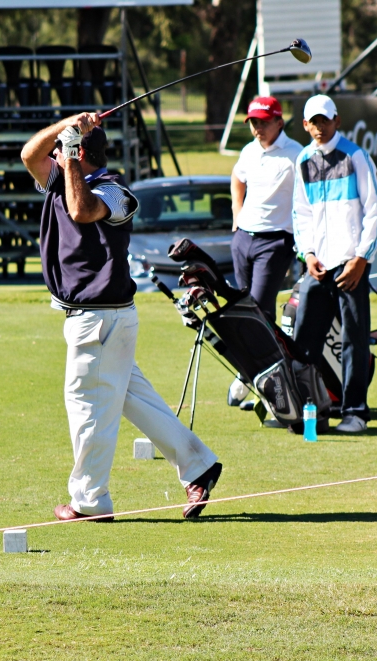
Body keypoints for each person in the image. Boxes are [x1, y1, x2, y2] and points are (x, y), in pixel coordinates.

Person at [20, 112, 223, 522]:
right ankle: (199, 464)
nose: (55, 155)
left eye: (63, 150)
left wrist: (71, 151)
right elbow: (28, 153)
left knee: (87, 406)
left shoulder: (117, 194)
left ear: (81, 155)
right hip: (101, 320)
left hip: (100, 318)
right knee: (135, 399)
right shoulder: (61, 176)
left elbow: (81, 211)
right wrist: (68, 124)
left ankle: (90, 501)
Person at [291, 94, 377, 434]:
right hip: (317, 265)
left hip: (351, 264)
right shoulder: (302, 160)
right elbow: (300, 214)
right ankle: (306, 413)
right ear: (304, 124)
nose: (319, 127)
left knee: (355, 341)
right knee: (304, 344)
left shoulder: (357, 156)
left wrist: (361, 259)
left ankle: (355, 411)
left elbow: (374, 212)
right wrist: (308, 254)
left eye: (325, 120)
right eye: (313, 121)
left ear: (337, 121)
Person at [227, 96, 304, 411]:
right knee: (243, 309)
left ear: (278, 122)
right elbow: (237, 178)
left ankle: (252, 377)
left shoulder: (296, 154)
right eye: (253, 123)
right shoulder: (249, 151)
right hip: (244, 238)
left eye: (262, 122)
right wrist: (237, 215)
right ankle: (257, 376)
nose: (257, 128)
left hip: (275, 242)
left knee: (260, 311)